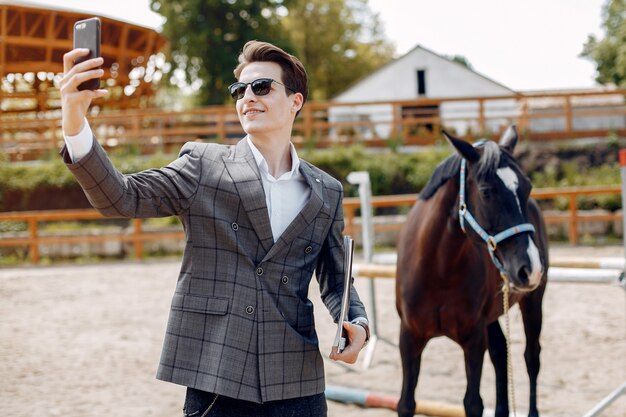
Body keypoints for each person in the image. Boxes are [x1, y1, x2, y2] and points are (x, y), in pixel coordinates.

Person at [59, 40, 369, 417]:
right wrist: (75, 123)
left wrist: (355, 322)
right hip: (217, 373)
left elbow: (337, 279)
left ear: (295, 102)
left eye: (262, 87)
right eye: (240, 90)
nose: (247, 98)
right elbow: (121, 198)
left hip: (296, 380)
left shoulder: (327, 191)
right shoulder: (203, 165)